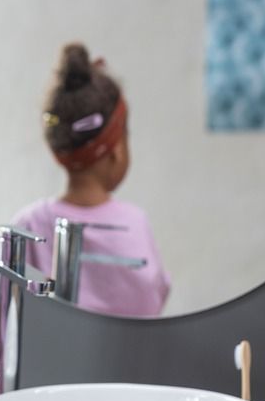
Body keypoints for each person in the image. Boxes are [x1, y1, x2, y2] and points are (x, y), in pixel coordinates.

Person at [11, 43, 170, 317]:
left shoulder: (28, 224)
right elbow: (156, 300)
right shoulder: (136, 223)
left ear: (57, 150)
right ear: (117, 150)